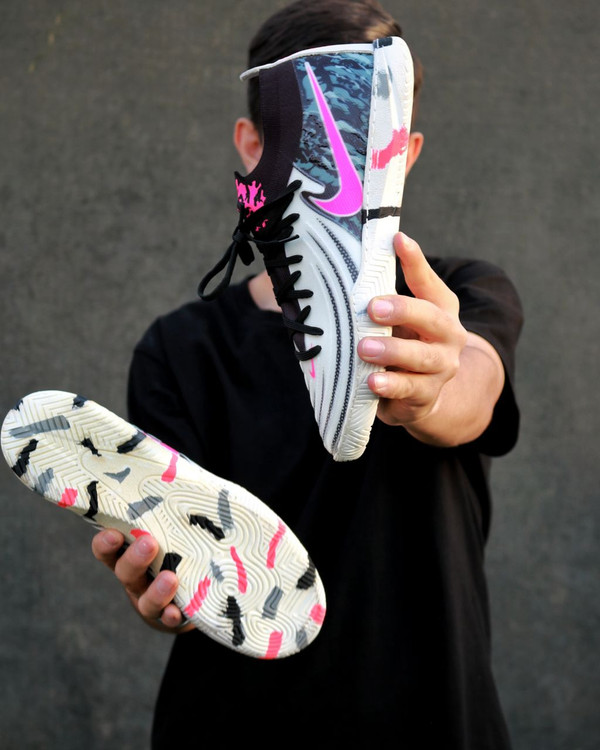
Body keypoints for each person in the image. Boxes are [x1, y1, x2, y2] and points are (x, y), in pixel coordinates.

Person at [91, 1, 523, 746]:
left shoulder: (457, 297)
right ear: (251, 146)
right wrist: (166, 584)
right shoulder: (180, 350)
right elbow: (188, 554)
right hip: (237, 721)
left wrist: (426, 389)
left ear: (404, 153)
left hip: (431, 718)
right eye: (313, 147)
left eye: (363, 142)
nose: (336, 160)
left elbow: (474, 387)